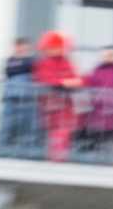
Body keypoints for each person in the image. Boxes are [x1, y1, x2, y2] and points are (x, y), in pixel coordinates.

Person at [31, 31, 84, 162]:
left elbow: (78, 79)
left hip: (66, 106)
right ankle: (55, 160)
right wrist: (64, 82)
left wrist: (73, 82)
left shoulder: (67, 62)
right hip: (51, 106)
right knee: (56, 134)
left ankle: (61, 159)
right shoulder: (43, 63)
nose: (58, 50)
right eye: (55, 47)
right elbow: (44, 79)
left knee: (65, 133)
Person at [81, 46, 113, 162]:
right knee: (97, 140)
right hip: (98, 112)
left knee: (111, 140)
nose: (109, 57)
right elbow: (90, 86)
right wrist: (96, 102)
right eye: (107, 55)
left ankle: (110, 164)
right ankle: (96, 164)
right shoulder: (96, 71)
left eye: (112, 55)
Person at [1, 38, 37, 155]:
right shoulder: (9, 61)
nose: (21, 50)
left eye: (23, 48)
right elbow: (9, 70)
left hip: (27, 99)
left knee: (26, 127)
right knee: (9, 125)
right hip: (11, 98)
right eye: (19, 47)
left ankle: (26, 151)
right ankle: (7, 149)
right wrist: (23, 66)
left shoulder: (31, 61)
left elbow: (28, 67)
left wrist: (22, 65)